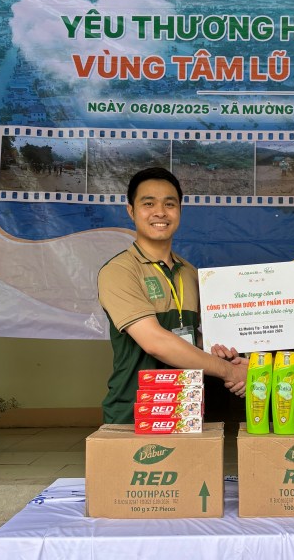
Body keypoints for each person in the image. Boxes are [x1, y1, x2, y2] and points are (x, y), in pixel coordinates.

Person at [98, 167, 246, 424]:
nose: (160, 212)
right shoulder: (119, 271)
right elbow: (155, 342)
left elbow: (192, 336)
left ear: (179, 210)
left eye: (169, 204)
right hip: (136, 412)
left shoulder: (190, 273)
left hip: (187, 409)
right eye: (148, 203)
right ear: (131, 211)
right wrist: (229, 372)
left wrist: (228, 356)